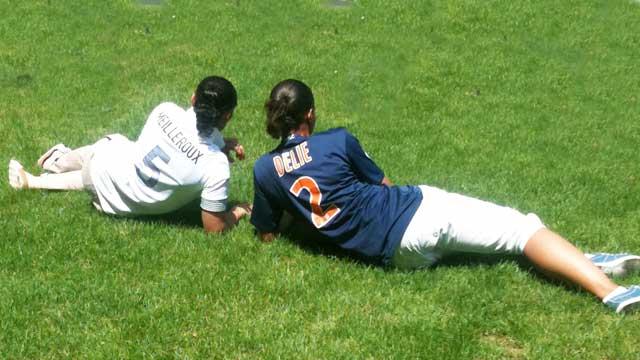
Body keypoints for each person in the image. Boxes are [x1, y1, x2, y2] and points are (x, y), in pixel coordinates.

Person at [250, 79, 640, 313]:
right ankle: (612, 294)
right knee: (522, 230)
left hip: (398, 257)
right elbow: (384, 186)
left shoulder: (264, 170)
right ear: (311, 114)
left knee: (497, 246)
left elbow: (268, 234)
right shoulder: (336, 140)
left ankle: (588, 261)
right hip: (417, 215)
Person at [9, 76, 251, 233]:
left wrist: (220, 145)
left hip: (103, 173)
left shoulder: (164, 110)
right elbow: (214, 228)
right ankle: (41, 174)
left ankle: (55, 162)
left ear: (193, 99)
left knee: (114, 143)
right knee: (112, 151)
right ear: (228, 116)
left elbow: (192, 136)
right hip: (120, 205)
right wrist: (238, 210)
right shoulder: (216, 165)